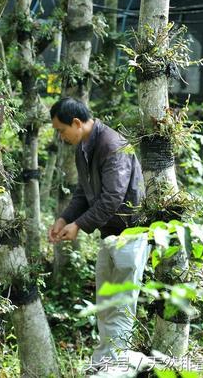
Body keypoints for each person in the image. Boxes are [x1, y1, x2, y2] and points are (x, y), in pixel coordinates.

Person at [47, 98, 149, 368]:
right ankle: (106, 361)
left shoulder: (112, 144)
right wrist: (64, 218)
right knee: (105, 302)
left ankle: (117, 363)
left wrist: (79, 225)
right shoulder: (83, 147)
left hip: (132, 234)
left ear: (77, 123)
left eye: (61, 129)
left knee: (122, 304)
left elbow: (112, 197)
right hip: (109, 235)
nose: (60, 136)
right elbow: (84, 192)